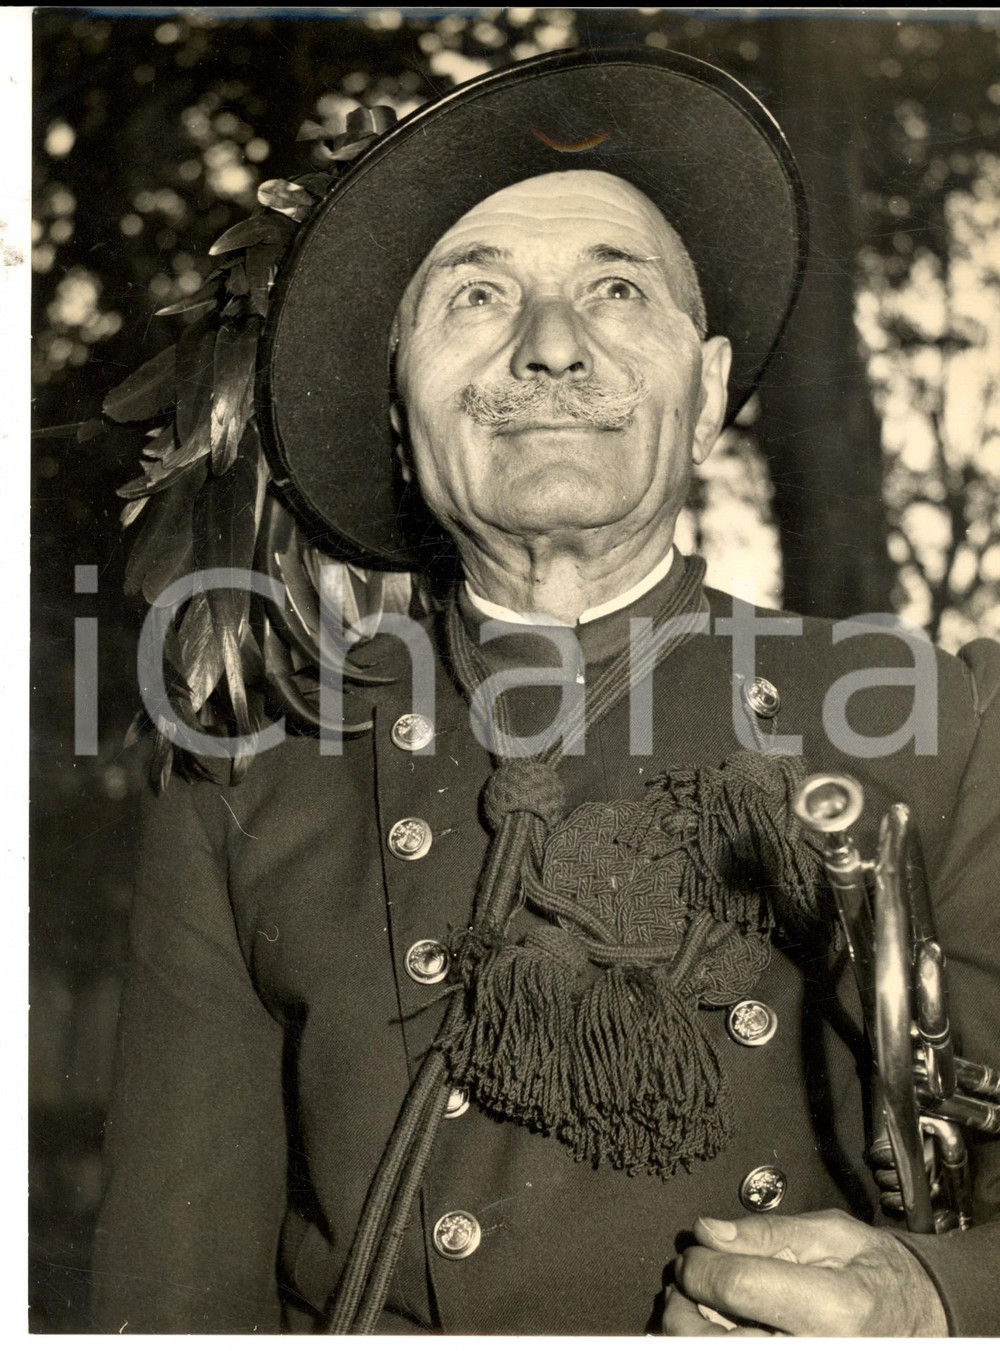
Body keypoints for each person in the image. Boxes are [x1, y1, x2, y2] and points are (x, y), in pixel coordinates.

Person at [89, 47, 1000, 1335]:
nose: (553, 347)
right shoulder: (248, 778)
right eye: (476, 295)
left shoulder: (936, 722)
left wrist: (932, 1303)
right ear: (403, 421)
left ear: (702, 401)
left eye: (618, 290)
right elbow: (171, 1299)